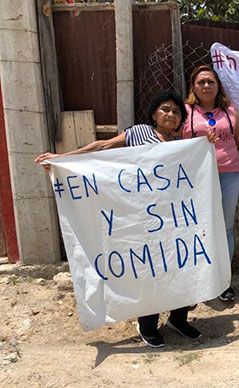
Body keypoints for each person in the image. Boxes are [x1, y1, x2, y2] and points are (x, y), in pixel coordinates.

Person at [35, 90, 215, 348]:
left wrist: (207, 143)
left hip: (173, 221)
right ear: (154, 114)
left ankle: (178, 318)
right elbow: (102, 147)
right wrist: (62, 159)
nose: (171, 115)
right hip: (143, 220)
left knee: (179, 268)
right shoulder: (139, 133)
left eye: (176, 112)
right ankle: (148, 324)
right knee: (151, 270)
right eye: (165, 109)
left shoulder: (183, 145)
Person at [182, 65, 239, 302]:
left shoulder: (230, 112)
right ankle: (197, 279)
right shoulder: (185, 111)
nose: (206, 86)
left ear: (218, 85)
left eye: (211, 82)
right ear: (193, 87)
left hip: (229, 174)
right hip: (196, 178)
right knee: (196, 228)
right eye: (201, 82)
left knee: (226, 228)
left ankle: (223, 281)